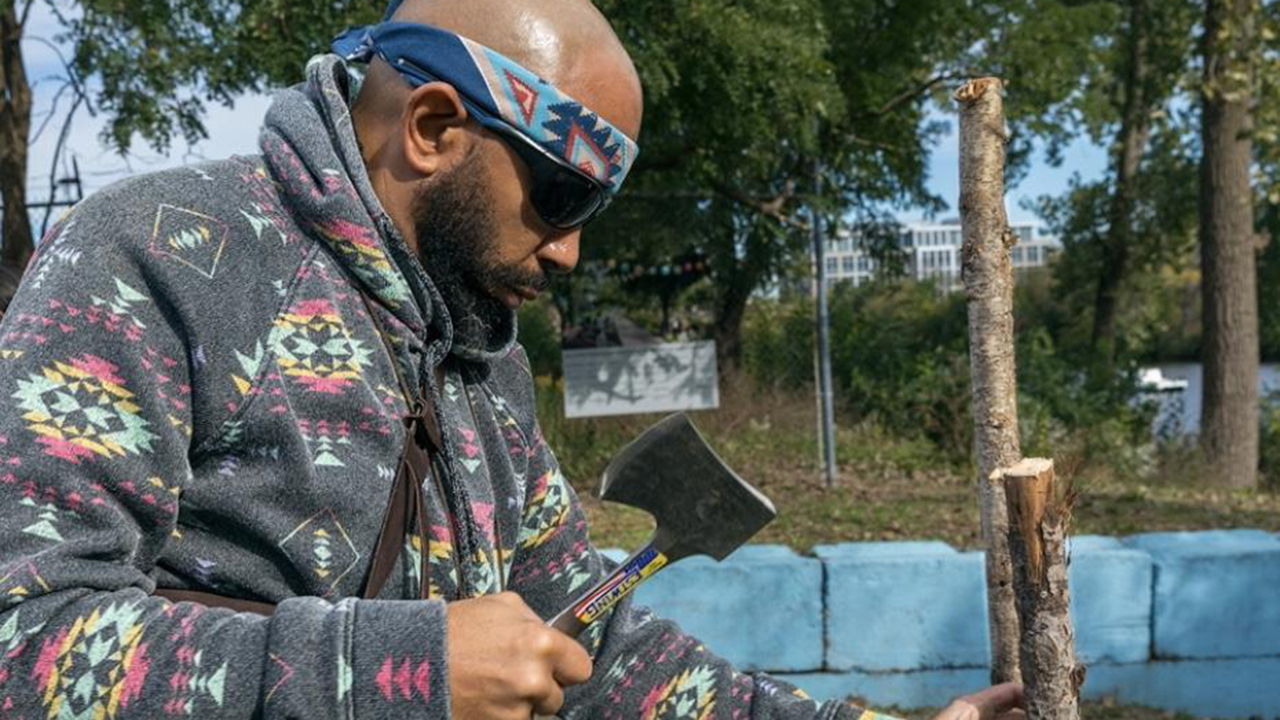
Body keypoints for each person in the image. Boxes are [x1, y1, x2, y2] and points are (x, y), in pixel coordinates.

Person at [0, 0, 1026, 718]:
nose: (572, 249)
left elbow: (585, 644)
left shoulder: (481, 352)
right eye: (561, 196)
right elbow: (21, 643)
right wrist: (390, 671)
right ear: (438, 126)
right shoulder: (165, 253)